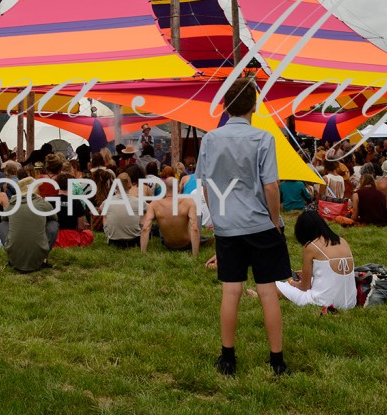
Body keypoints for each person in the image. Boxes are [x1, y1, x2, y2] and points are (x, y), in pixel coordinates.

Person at [196, 76, 290, 376]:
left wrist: (218, 218)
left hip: (227, 226)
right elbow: (271, 186)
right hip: (260, 224)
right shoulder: (263, 138)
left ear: (225, 106)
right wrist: (274, 222)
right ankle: (277, 361)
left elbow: (206, 186)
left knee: (231, 291)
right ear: (254, 107)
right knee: (267, 291)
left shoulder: (209, 139)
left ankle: (227, 359)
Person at [273, 210, 357, 310]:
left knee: (274, 285)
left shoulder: (311, 246)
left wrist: (291, 282)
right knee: (310, 279)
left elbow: (304, 287)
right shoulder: (342, 241)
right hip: (350, 302)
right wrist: (308, 274)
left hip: (324, 301)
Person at [0, 176, 57, 273]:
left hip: (14, 259)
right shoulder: (43, 204)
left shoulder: (11, 205)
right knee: (53, 224)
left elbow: (3, 219)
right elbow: (54, 218)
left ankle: (11, 256)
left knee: (2, 225)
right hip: (39, 255)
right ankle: (43, 258)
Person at [140, 182, 200, 255]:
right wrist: (195, 255)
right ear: (178, 188)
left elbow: (145, 228)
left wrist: (143, 253)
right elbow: (194, 228)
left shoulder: (154, 204)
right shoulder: (188, 202)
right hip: (187, 244)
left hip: (168, 245)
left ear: (164, 189)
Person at [102, 165, 145, 248]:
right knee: (145, 212)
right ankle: (142, 234)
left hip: (113, 241)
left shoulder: (106, 202)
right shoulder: (139, 201)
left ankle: (108, 235)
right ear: (130, 185)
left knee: (105, 213)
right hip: (135, 240)